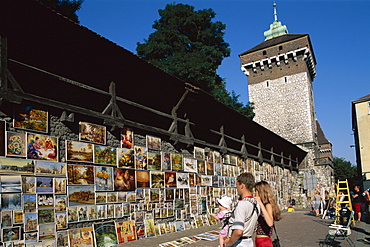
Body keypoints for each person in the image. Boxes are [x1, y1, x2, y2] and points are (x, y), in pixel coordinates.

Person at [224, 173, 260, 247]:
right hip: (249, 241)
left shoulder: (242, 205)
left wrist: (228, 243)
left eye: (237, 185)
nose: (236, 188)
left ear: (242, 185)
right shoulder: (256, 204)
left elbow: (238, 231)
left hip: (239, 243)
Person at [254, 181, 282, 247]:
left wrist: (260, 203)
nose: (254, 192)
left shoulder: (267, 205)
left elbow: (270, 222)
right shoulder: (264, 205)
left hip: (264, 241)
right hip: (260, 240)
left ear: (261, 192)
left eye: (256, 190)